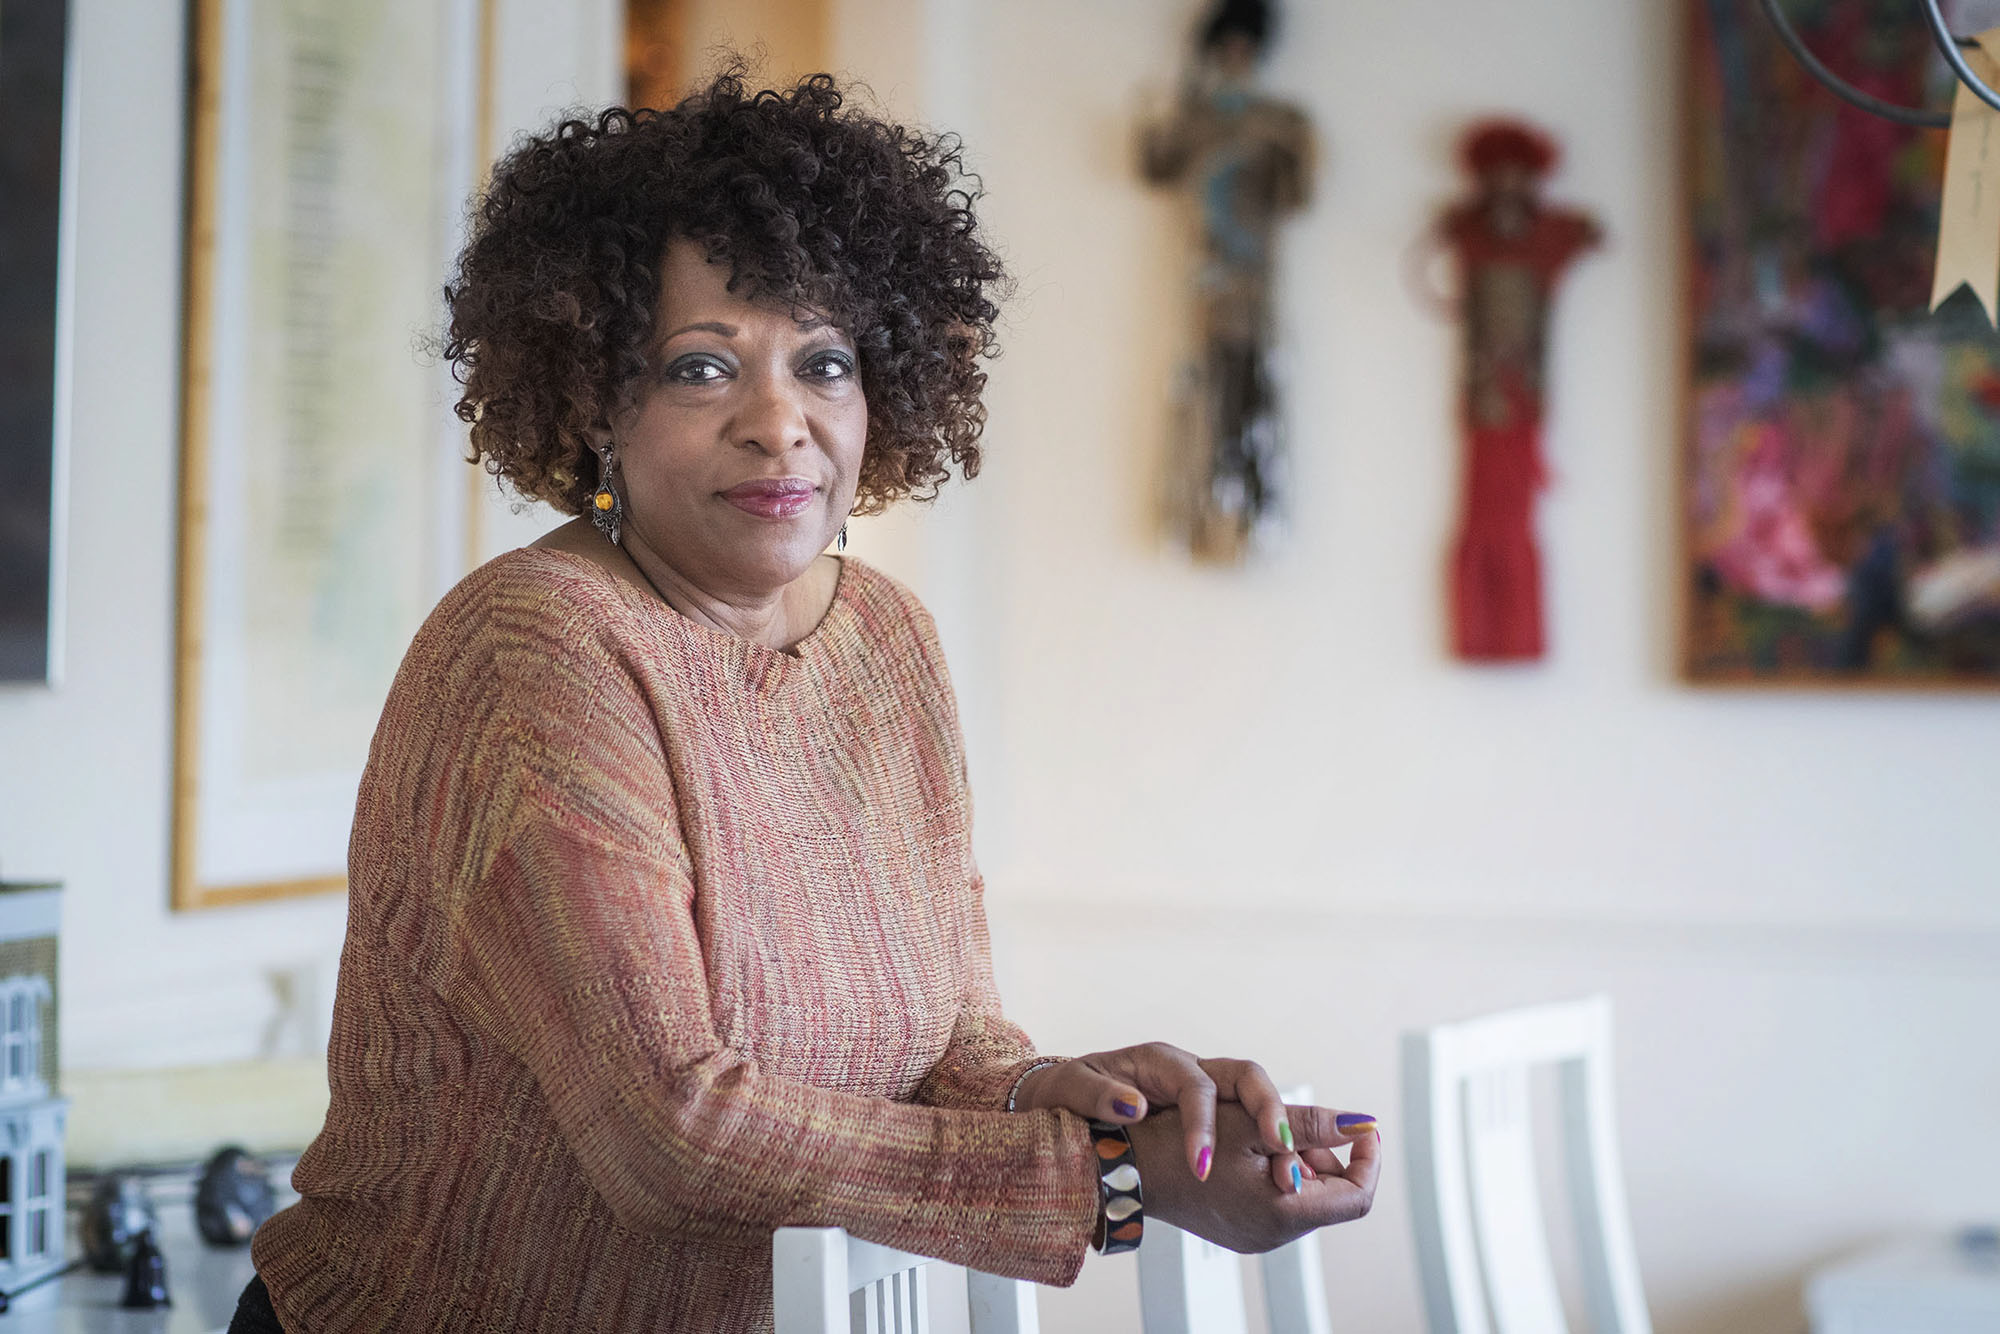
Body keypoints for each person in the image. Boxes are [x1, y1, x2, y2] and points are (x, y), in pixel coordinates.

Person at [233, 69, 1378, 1333]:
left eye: (822, 363)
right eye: (699, 368)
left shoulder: (885, 641)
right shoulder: (539, 650)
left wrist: (1071, 1095)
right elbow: (670, 1125)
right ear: (593, 397)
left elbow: (944, 1031)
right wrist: (1107, 1178)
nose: (778, 424)